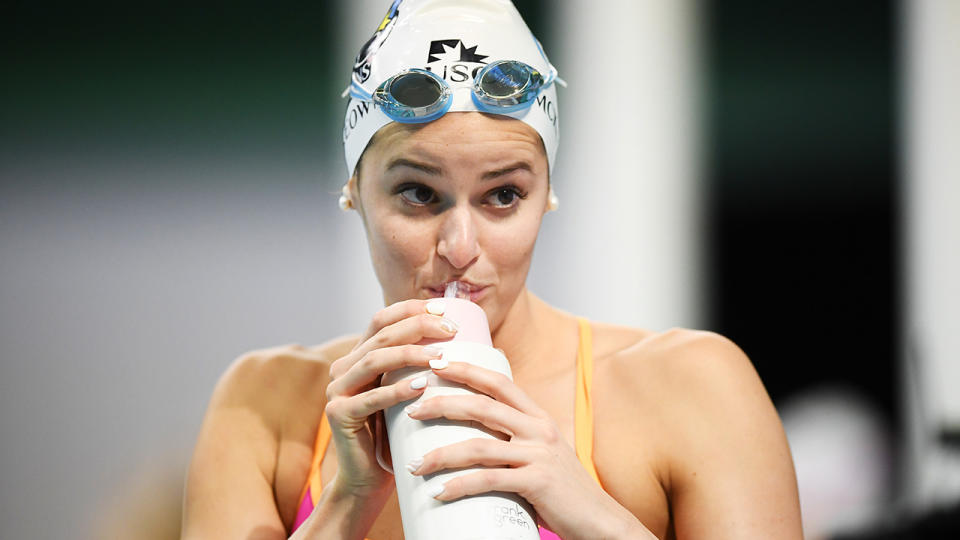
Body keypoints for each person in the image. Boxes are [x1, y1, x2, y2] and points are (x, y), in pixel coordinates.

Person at [181, 1, 803, 539]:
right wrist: (346, 505)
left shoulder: (688, 388)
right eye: (420, 194)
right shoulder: (266, 407)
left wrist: (592, 514)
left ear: (547, 195)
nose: (460, 245)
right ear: (353, 191)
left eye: (503, 195)